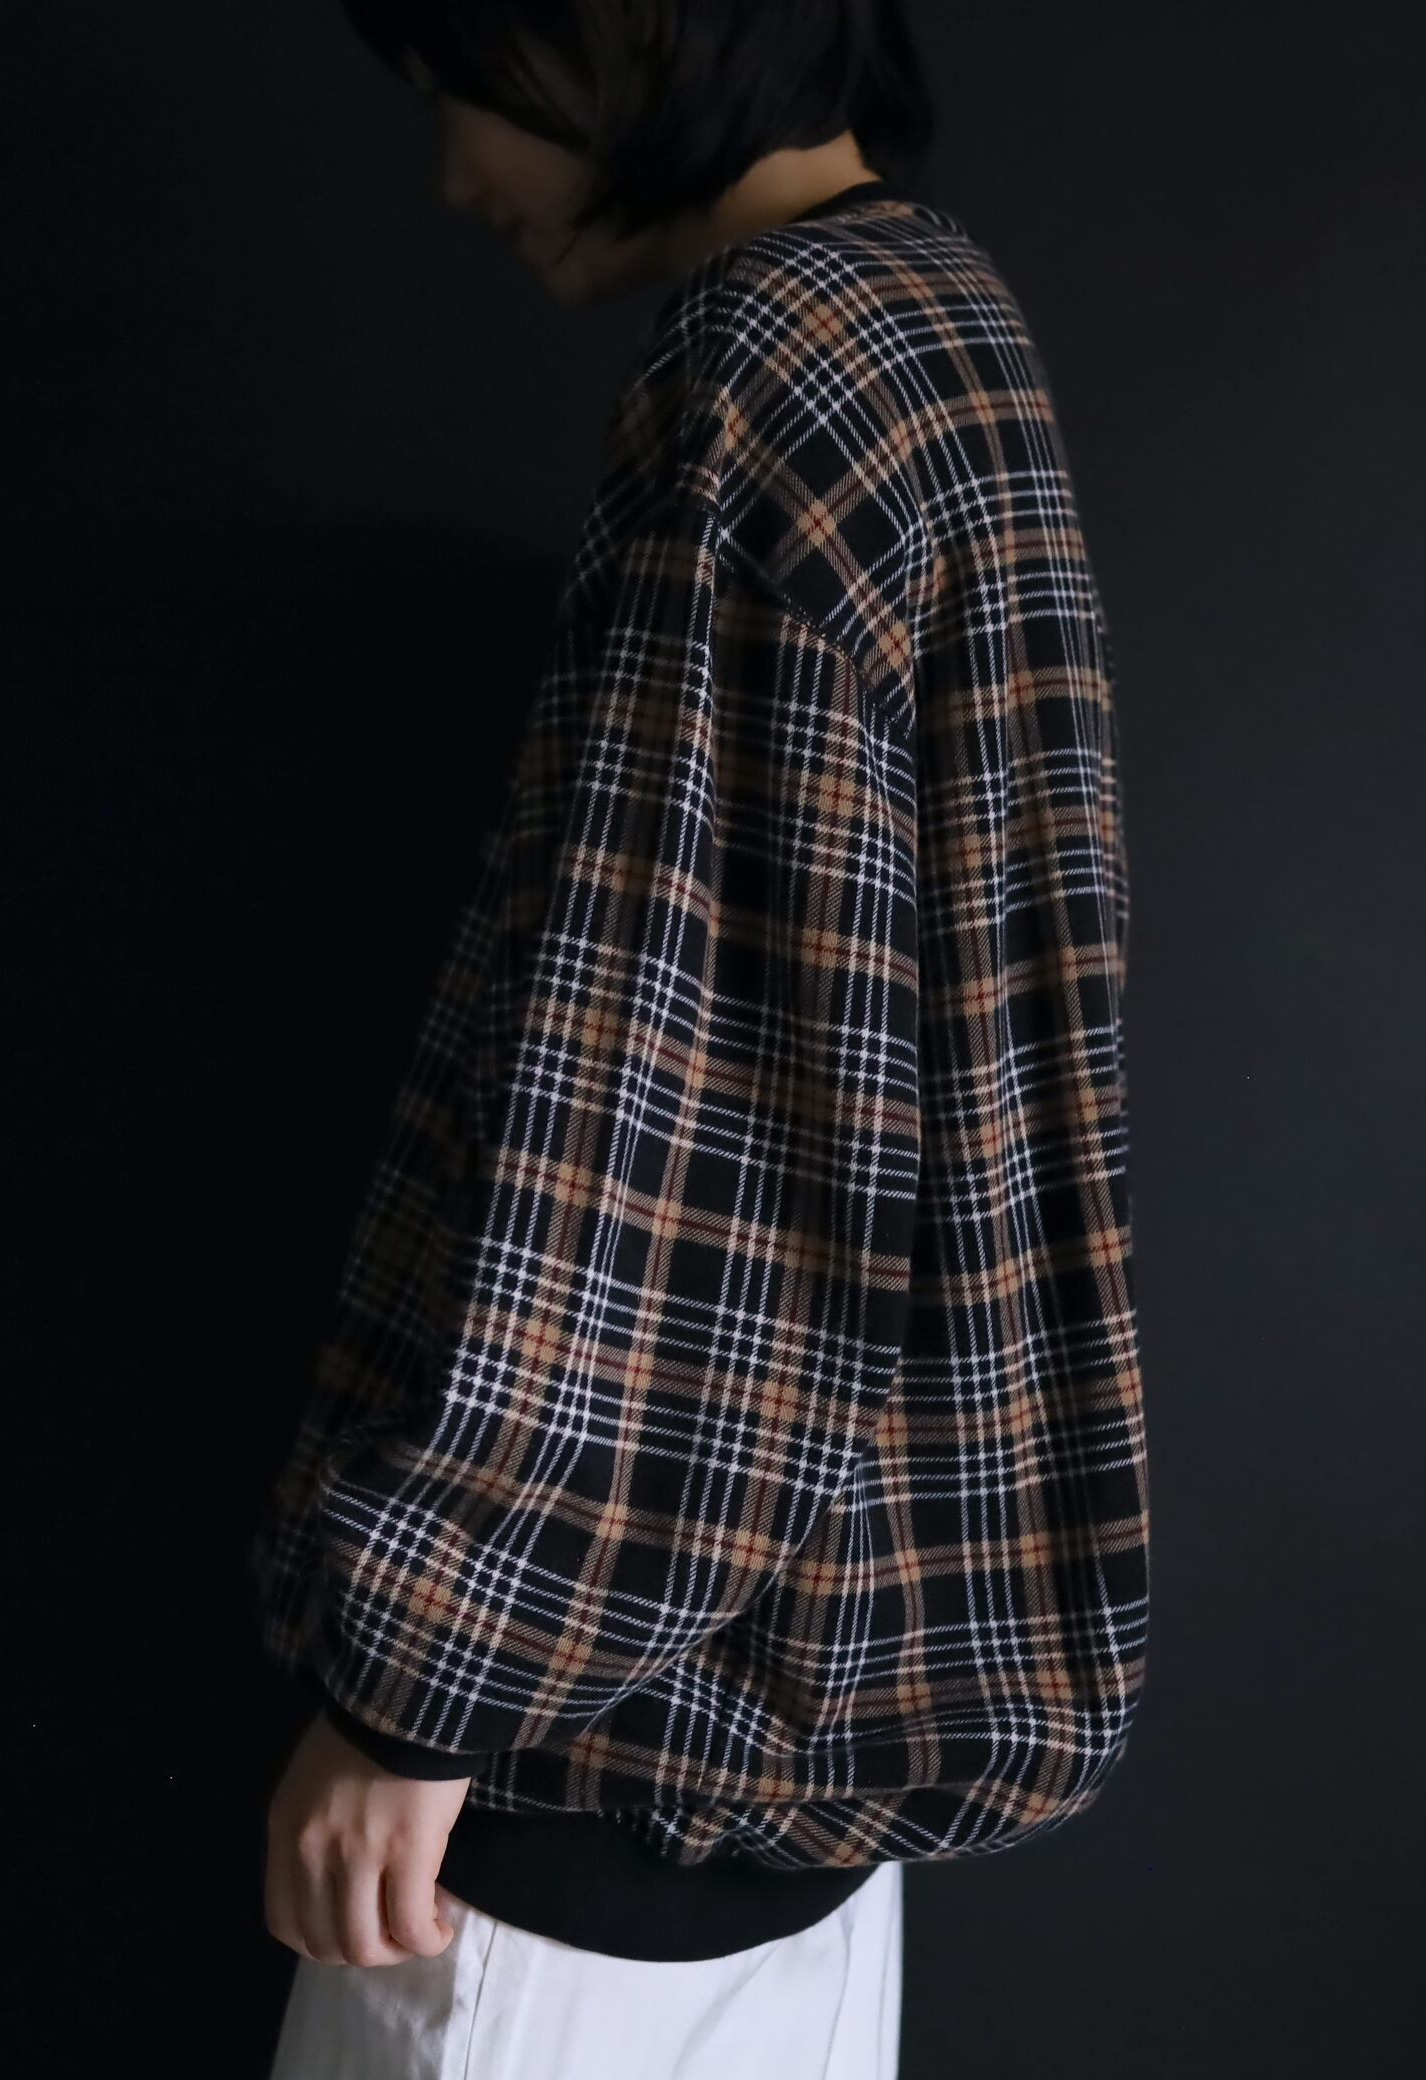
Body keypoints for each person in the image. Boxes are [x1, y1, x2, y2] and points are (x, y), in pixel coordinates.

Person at [245, 5, 1150, 2075]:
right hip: (785, 1791)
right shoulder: (935, 314)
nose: (455, 175)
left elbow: (693, 1111)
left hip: (578, 1816)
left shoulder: (769, 363)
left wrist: (419, 1682)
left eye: (457, 88)